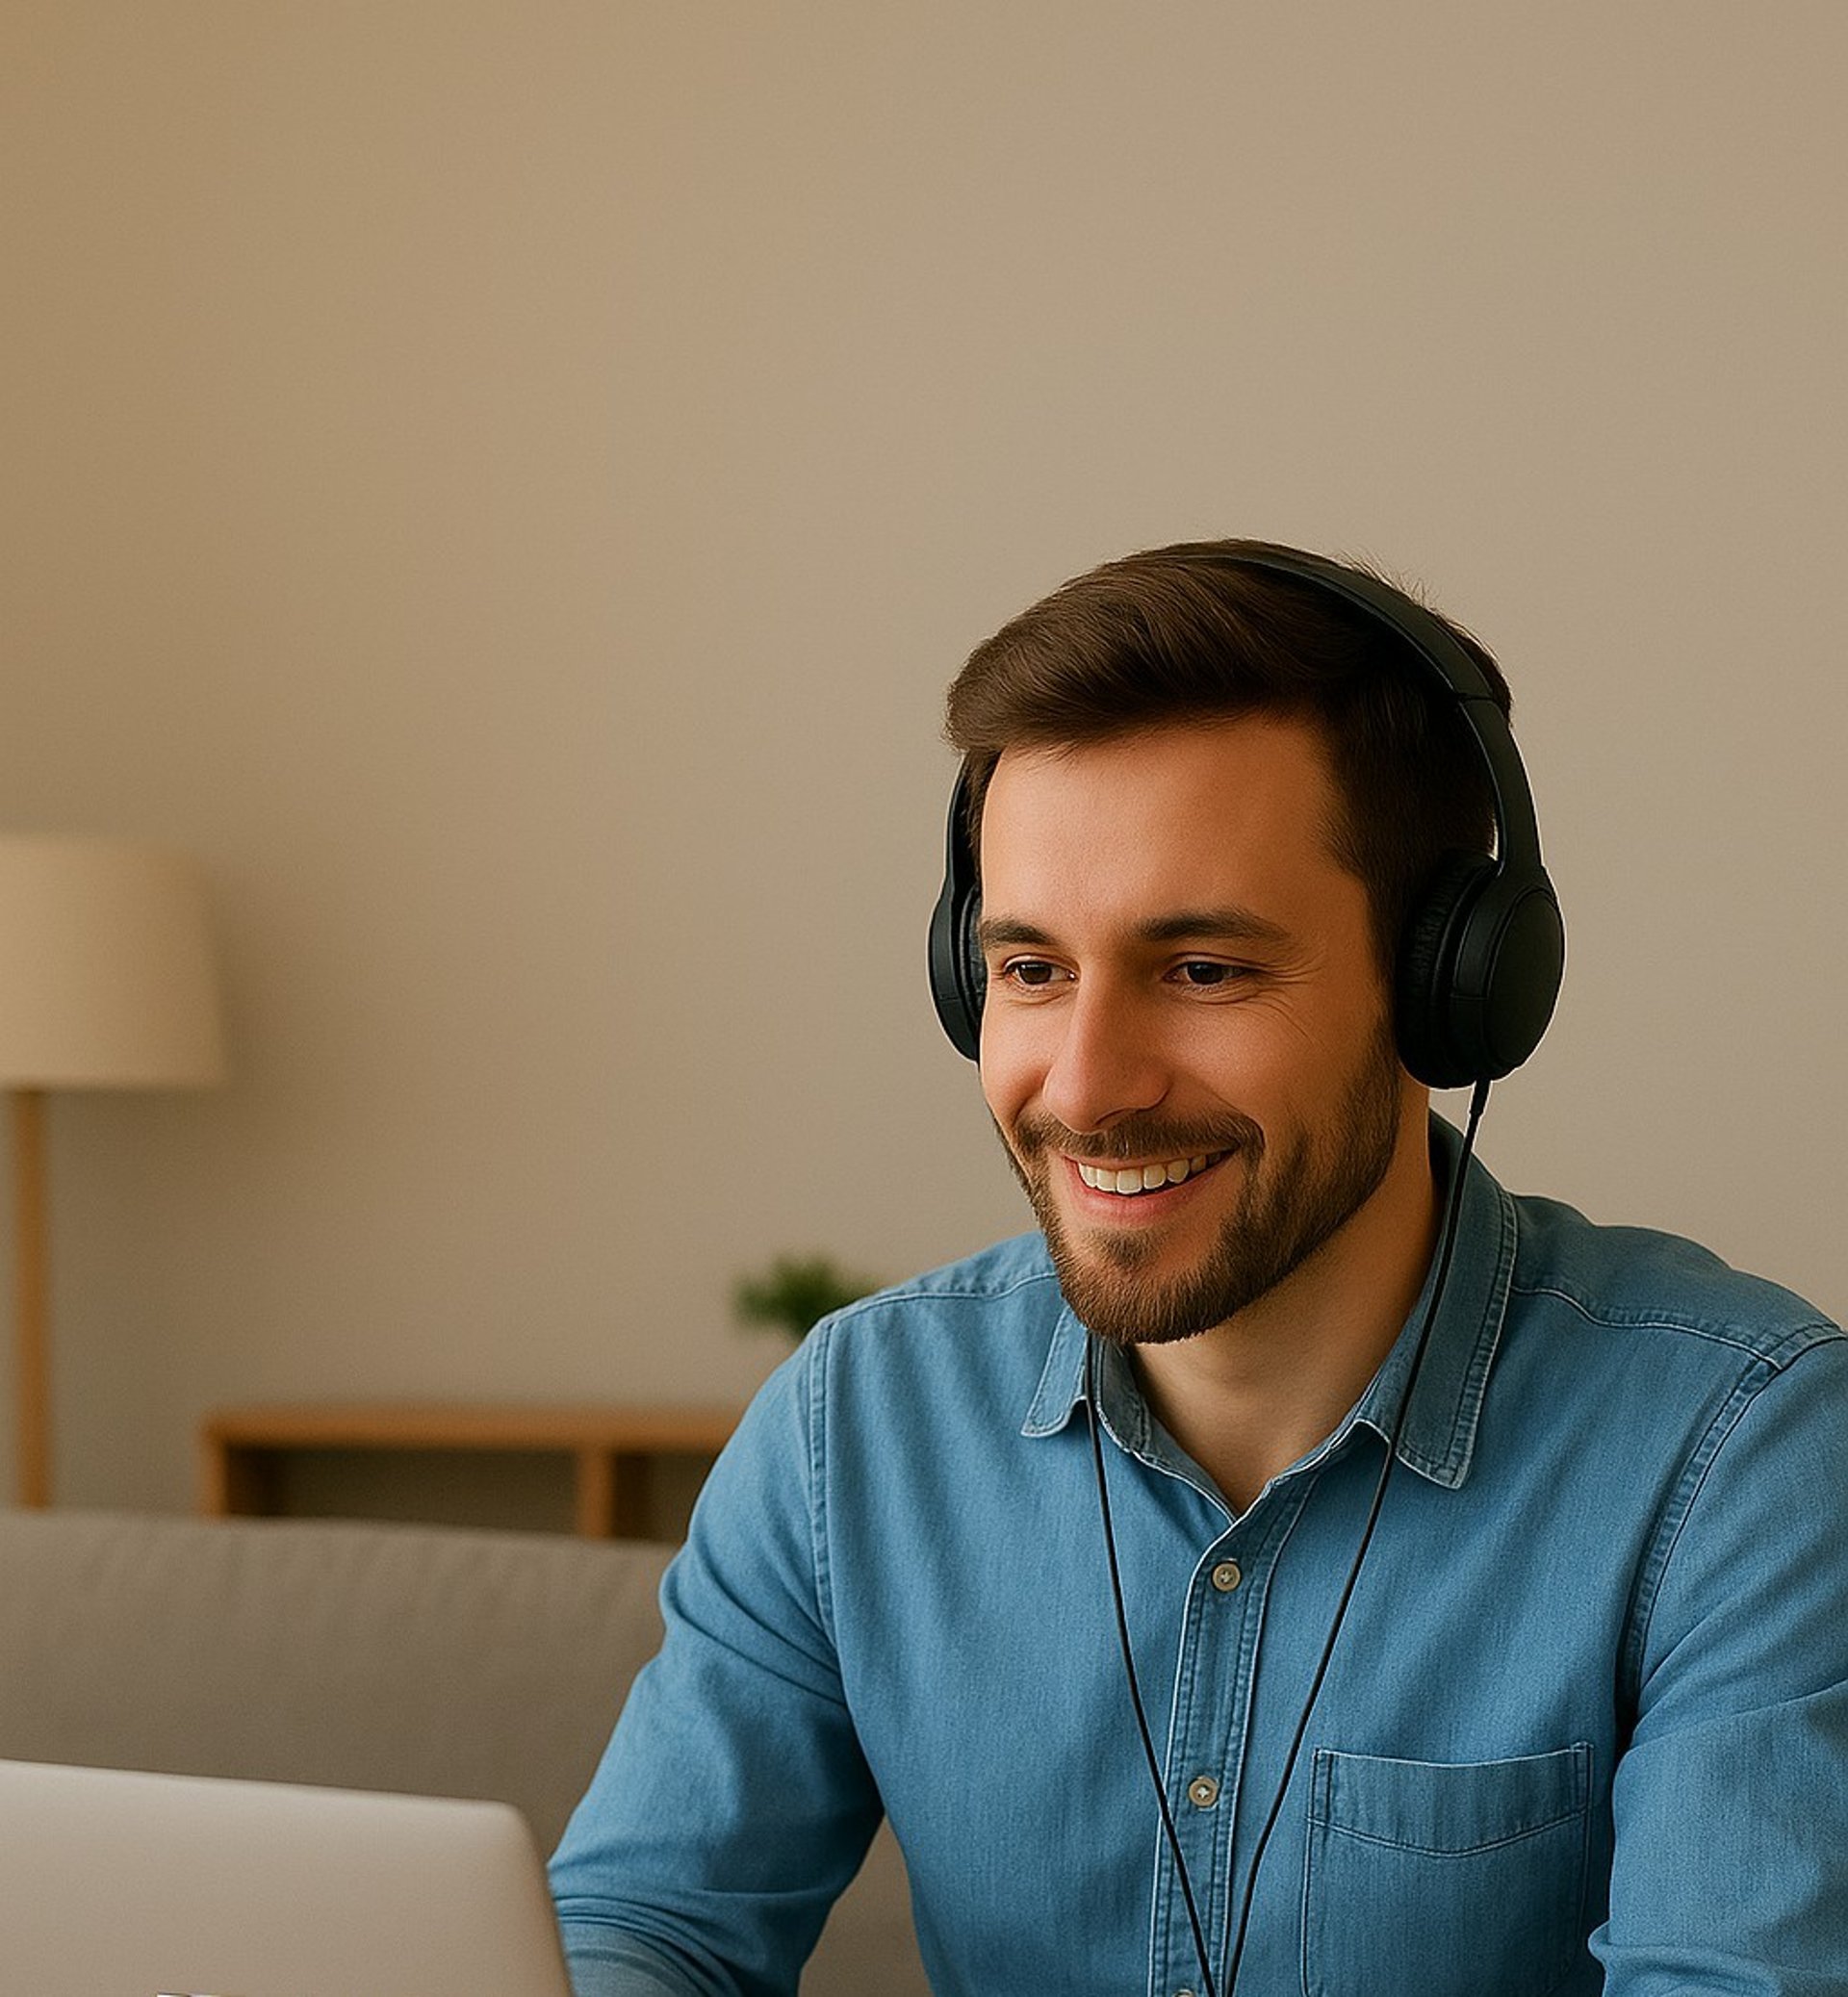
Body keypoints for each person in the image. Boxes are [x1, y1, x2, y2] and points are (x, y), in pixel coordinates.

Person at [549, 540, 1848, 1995]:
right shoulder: (852, 1424)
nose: (1089, 1087)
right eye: (1031, 969)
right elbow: (649, 1926)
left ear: (1449, 988)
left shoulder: (1745, 1453)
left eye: (1205, 971)